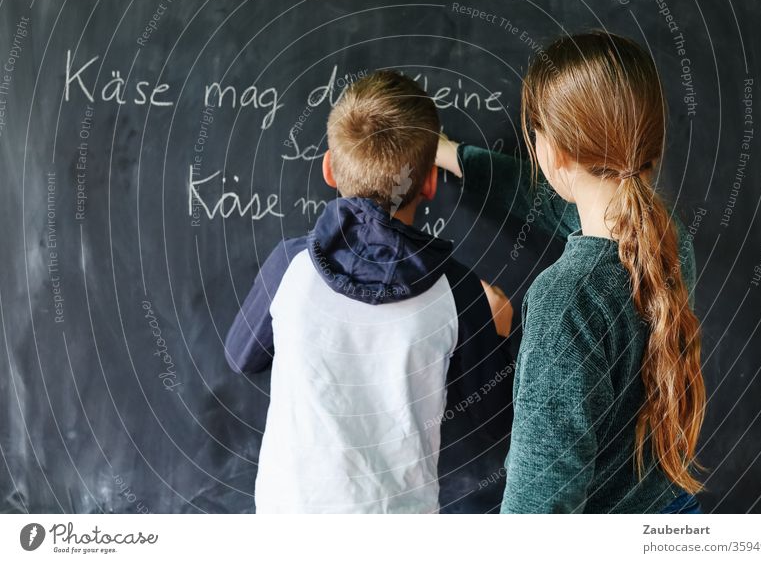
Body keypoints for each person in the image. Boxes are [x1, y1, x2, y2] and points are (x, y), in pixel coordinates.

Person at [435, 32, 706, 513]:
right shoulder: (665, 238)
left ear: (552, 153)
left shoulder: (566, 300)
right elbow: (550, 198)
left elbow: (539, 513)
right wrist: (454, 156)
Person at [224, 70, 512, 513]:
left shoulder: (290, 266)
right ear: (431, 183)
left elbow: (242, 357)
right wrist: (500, 328)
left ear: (329, 169)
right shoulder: (459, 292)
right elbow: (496, 416)